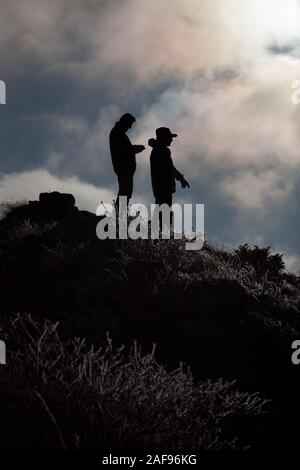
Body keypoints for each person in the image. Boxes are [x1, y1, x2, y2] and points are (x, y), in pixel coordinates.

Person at [149, 127, 190, 231]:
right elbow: (170, 168)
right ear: (164, 138)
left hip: (160, 188)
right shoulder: (162, 151)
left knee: (162, 212)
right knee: (165, 213)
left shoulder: (158, 150)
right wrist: (181, 178)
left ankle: (160, 236)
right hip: (163, 188)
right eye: (169, 137)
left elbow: (169, 168)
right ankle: (162, 239)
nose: (171, 140)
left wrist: (180, 178)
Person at [109, 113, 145, 210]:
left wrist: (133, 149)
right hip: (123, 168)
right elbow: (123, 150)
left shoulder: (118, 132)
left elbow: (125, 149)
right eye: (129, 125)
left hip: (125, 168)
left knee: (126, 192)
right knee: (125, 192)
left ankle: (120, 217)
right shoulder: (116, 132)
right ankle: (119, 218)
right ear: (125, 122)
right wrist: (134, 149)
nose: (129, 127)